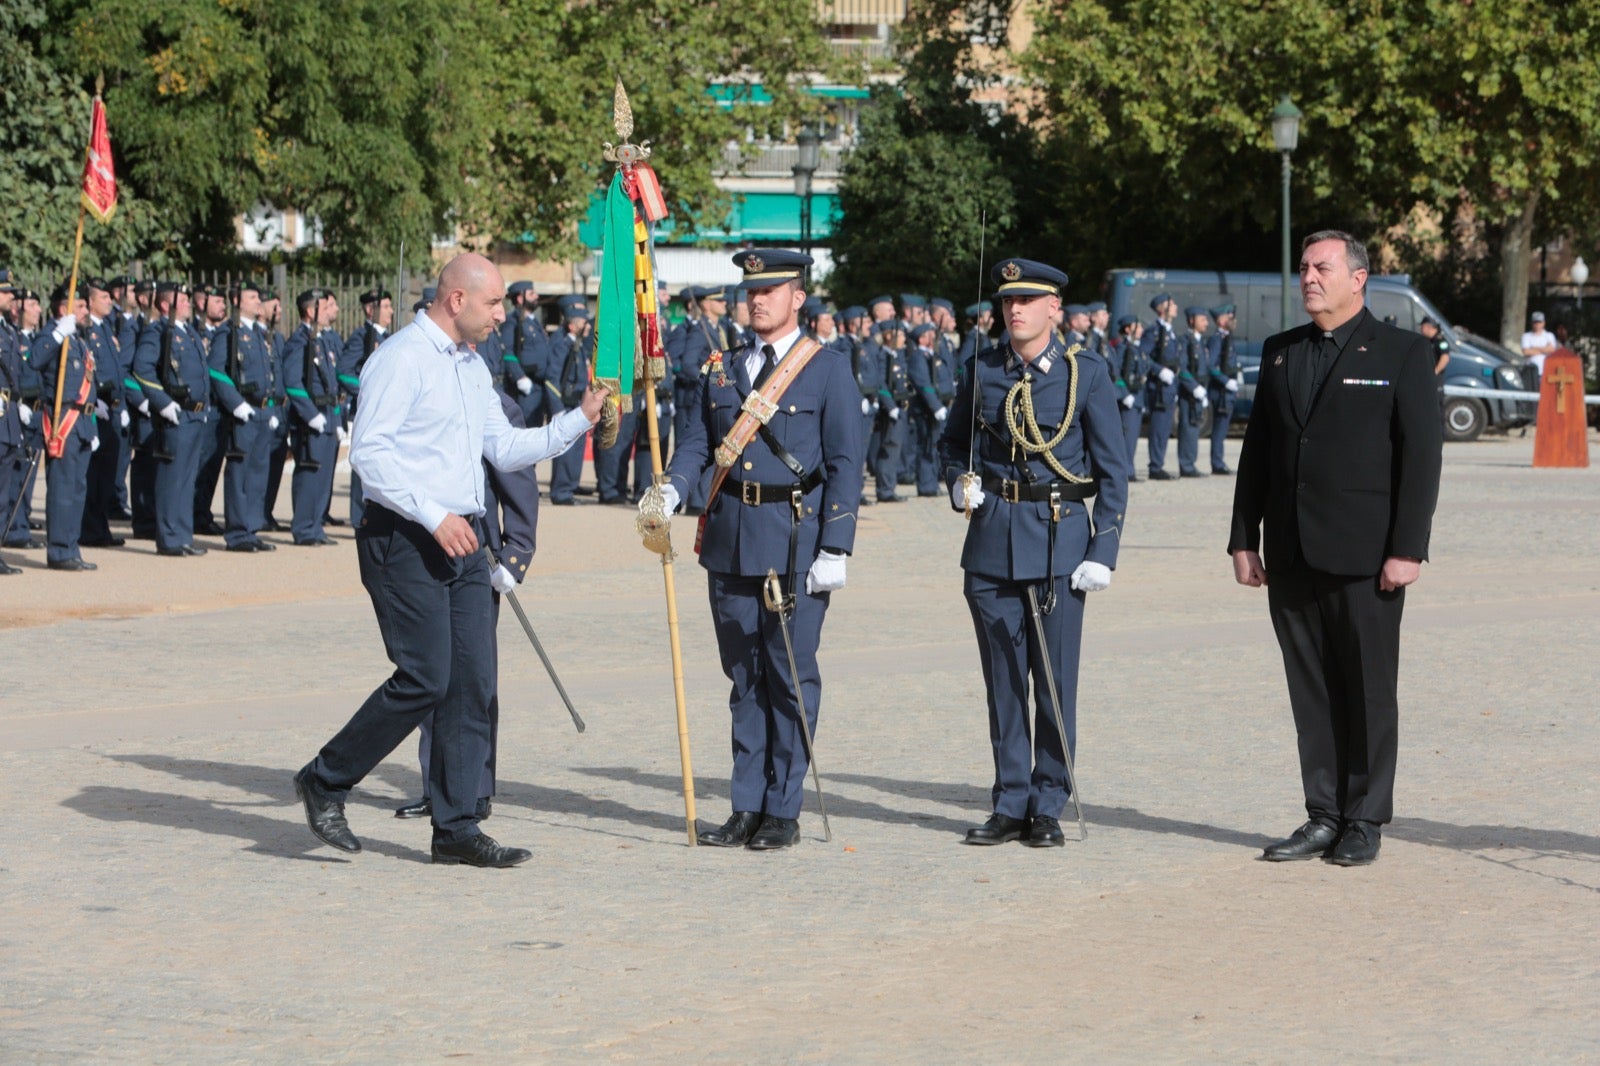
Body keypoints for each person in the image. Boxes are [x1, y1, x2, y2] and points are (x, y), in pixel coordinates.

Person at [293, 253, 608, 868]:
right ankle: (325, 779)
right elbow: (371, 456)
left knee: (471, 683)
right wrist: (433, 514)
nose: (502, 315)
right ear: (456, 301)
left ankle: (457, 826)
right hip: (405, 536)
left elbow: (507, 447)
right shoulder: (401, 359)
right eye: (493, 304)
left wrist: (580, 419)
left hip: (466, 536)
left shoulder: (471, 365)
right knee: (425, 677)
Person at [1228, 229, 1442, 867]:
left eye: (1321, 267)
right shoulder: (1279, 352)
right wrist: (1244, 538)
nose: (1309, 278)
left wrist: (1408, 548)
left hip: (1366, 556)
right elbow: (1257, 456)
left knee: (1369, 689)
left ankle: (1365, 817)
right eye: (1303, 269)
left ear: (1359, 278)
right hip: (1291, 553)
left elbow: (1421, 460)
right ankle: (1322, 813)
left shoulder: (1402, 353)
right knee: (1311, 689)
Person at [642, 248, 863, 851]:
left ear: (798, 297)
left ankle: (783, 809)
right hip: (731, 539)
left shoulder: (826, 368)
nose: (757, 299)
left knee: (788, 677)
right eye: (751, 290)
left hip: (795, 541)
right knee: (743, 678)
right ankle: (745, 804)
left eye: (772, 289)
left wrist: (836, 545)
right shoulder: (721, 368)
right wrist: (673, 490)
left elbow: (846, 464)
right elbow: (696, 442)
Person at [938, 257, 1129, 847]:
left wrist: (1104, 547)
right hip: (993, 541)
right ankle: (1010, 799)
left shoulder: (1085, 374)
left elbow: (1115, 471)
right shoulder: (982, 371)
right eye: (1006, 302)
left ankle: (1048, 801)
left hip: (1057, 542)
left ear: (1054, 310)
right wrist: (956, 482)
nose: (1013, 310)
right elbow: (951, 445)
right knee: (1002, 685)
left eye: (1027, 301)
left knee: (1053, 682)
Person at [132, 281, 214, 558]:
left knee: (186, 478)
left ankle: (182, 535)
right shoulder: (158, 332)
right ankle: (169, 538)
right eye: (183, 300)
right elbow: (141, 369)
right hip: (175, 414)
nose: (189, 303)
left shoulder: (188, 332)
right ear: (166, 305)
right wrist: (162, 402)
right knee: (172, 478)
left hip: (194, 414)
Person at [33, 281, 101, 571]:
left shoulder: (80, 340)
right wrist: (59, 332)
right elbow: (35, 359)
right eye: (81, 305)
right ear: (64, 308)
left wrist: (93, 426)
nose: (86, 310)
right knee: (62, 489)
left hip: (83, 422)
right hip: (63, 421)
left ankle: (71, 547)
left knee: (77, 489)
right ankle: (59, 551)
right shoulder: (55, 334)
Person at [207, 281, 280, 552]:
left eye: (258, 296)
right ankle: (238, 532)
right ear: (238, 301)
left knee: (258, 474)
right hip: (243, 412)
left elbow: (268, 375)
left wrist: (270, 408)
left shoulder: (258, 334)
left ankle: (251, 528)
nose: (258, 301)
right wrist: (235, 403)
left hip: (261, 411)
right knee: (240, 474)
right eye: (252, 297)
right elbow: (215, 371)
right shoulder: (230, 332)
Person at [283, 288, 342, 546]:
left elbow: (332, 387)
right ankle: (305, 528)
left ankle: (315, 526)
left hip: (327, 415)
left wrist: (336, 420)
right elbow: (293, 381)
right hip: (312, 419)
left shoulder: (320, 341)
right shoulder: (300, 341)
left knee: (323, 477)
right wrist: (310, 415)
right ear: (310, 311)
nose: (331, 310)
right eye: (324, 305)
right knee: (310, 475)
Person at [1142, 293, 1181, 479]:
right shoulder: (1154, 331)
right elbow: (1142, 356)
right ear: (1161, 308)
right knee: (1158, 428)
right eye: (1171, 303)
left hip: (1169, 387)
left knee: (1165, 428)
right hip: (1158, 388)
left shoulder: (1170, 331)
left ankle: (1159, 463)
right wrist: (1159, 371)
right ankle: (1155, 466)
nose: (1175, 306)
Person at [1205, 303, 1241, 475]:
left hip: (1227, 391)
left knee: (1223, 427)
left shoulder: (1227, 338)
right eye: (1229, 316)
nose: (1233, 319)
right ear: (1220, 320)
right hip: (1220, 391)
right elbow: (1210, 365)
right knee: (1219, 428)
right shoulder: (1216, 339)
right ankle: (1217, 463)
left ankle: (1219, 461)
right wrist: (1225, 381)